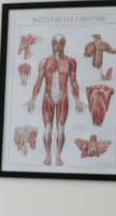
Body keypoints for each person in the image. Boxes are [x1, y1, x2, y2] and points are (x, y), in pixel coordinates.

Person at [23, 34, 85, 167]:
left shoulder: (70, 62)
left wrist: (78, 100)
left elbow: (74, 82)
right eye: (56, 43)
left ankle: (58, 157)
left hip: (63, 97)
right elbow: (39, 81)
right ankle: (47, 156)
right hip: (48, 98)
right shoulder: (45, 61)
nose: (58, 45)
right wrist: (33, 99)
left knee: (61, 129)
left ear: (64, 43)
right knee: (48, 129)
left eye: (61, 42)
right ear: (52, 44)